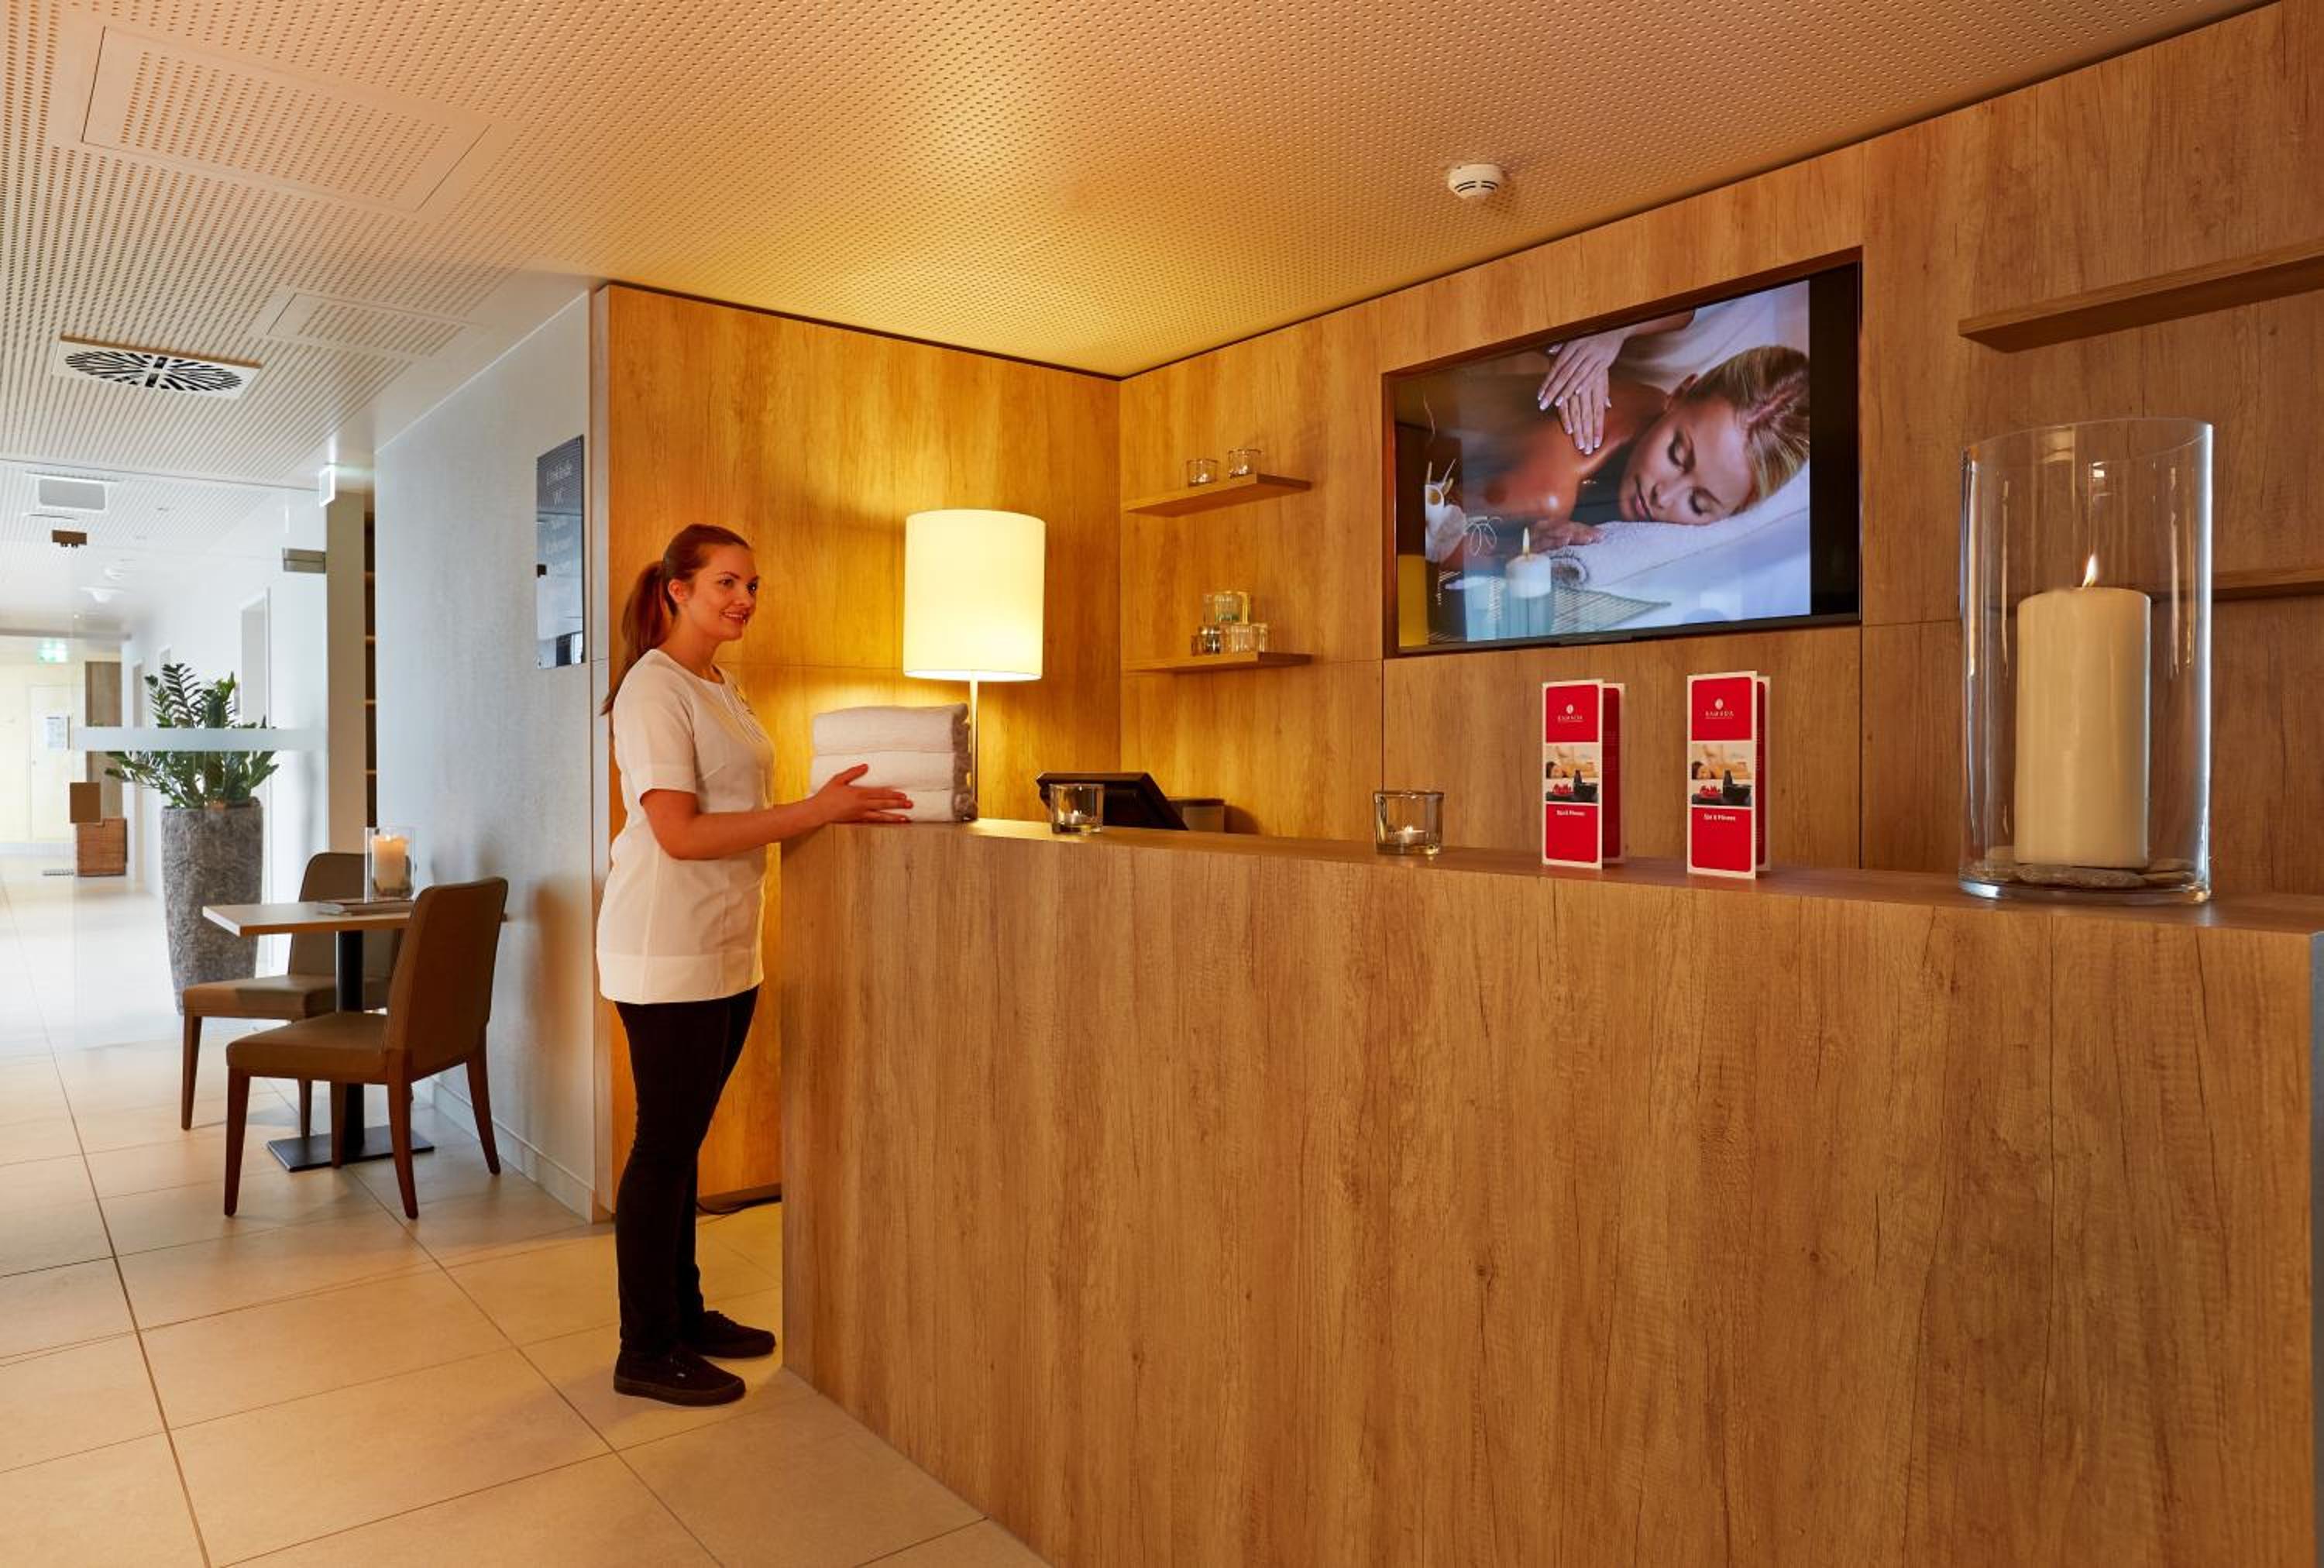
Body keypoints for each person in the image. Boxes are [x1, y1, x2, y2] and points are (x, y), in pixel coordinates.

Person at [595, 524, 911, 1407]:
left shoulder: (720, 684)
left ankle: (684, 1315)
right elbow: (679, 832)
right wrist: (814, 811)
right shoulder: (653, 689)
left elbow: (739, 807)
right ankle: (644, 1348)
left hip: (726, 944)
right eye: (726, 583)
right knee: (664, 1147)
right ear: (677, 589)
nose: (744, 599)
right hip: (667, 945)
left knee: (684, 1141)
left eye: (753, 585)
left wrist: (822, 810)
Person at [1473, 345, 1813, 551]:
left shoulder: (1655, 405)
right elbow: (1443, 533)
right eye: (1676, 455)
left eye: (1698, 504)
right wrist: (1512, 550)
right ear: (1679, 395)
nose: (1662, 497)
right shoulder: (1553, 488)